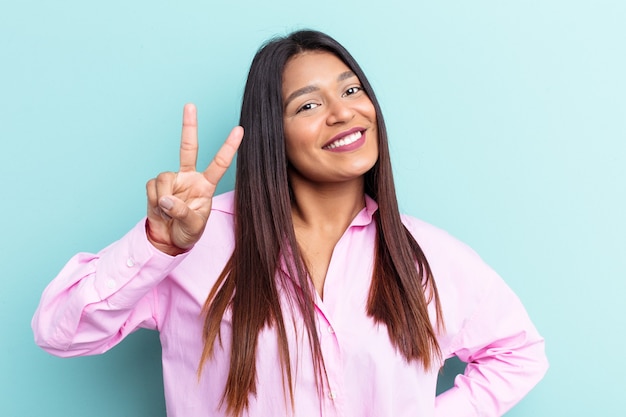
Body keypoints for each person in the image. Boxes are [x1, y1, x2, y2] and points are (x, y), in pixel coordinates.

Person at [32, 30, 548, 417]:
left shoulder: (429, 257)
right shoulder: (198, 238)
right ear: (270, 133)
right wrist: (158, 246)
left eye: (351, 92)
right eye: (308, 104)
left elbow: (519, 354)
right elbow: (59, 331)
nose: (342, 113)